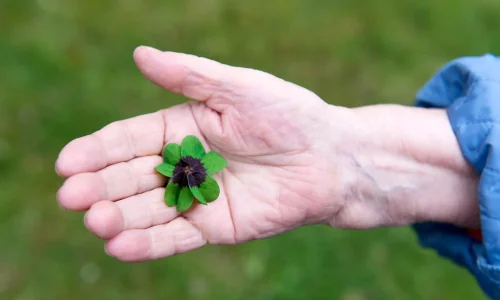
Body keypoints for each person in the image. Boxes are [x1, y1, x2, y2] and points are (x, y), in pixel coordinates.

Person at [55, 46, 500, 299]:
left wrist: (351, 156)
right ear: (184, 171)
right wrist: (348, 152)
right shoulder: (185, 174)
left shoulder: (199, 173)